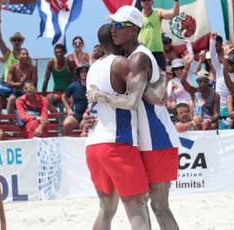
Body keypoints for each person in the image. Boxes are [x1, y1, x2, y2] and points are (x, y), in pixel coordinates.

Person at [88, 6, 181, 230]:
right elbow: (147, 95)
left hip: (156, 138)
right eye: (113, 25)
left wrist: (104, 98)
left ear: (134, 29)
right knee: (144, 204)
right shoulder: (128, 58)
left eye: (119, 26)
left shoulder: (138, 57)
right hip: (142, 138)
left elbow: (131, 101)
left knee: (158, 206)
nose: (113, 30)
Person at [84, 23, 151, 230]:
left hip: (94, 144)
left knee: (106, 209)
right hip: (117, 143)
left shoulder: (92, 68)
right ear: (114, 38)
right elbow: (137, 97)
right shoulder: (121, 64)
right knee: (136, 206)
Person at [138, 0, 180, 71]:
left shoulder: (158, 13)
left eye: (148, 0)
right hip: (142, 51)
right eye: (144, 0)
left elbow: (174, 14)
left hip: (157, 52)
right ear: (141, 2)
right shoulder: (138, 16)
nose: (146, 2)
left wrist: (176, 1)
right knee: (144, 78)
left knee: (161, 78)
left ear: (152, 1)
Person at [42, 44, 76, 113]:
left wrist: (75, 92)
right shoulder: (51, 63)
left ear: (64, 53)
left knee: (74, 101)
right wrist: (43, 95)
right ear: (54, 53)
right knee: (46, 100)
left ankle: (68, 116)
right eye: (56, 52)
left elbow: (76, 78)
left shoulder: (70, 62)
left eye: (60, 52)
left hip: (68, 93)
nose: (58, 54)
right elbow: (46, 79)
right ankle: (57, 116)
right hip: (57, 92)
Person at [6, 48, 38, 114]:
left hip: (29, 91)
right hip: (16, 92)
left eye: (27, 54)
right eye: (23, 54)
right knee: (11, 99)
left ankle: (32, 117)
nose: (25, 56)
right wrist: (20, 83)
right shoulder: (13, 67)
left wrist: (25, 83)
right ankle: (11, 121)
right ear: (18, 56)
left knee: (32, 98)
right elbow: (8, 83)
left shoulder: (32, 67)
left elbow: (35, 83)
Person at [61, 64, 89, 136]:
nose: (84, 73)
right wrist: (68, 109)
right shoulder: (73, 85)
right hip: (75, 114)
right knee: (66, 124)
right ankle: (68, 144)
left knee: (85, 130)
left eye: (86, 71)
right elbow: (63, 96)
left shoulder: (92, 86)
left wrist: (88, 111)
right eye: (81, 72)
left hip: (88, 115)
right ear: (79, 74)